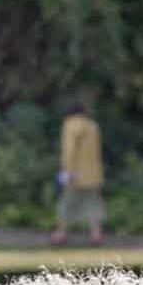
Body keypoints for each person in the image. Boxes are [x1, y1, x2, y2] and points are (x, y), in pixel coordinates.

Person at [55, 98, 105, 246]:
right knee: (94, 204)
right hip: (93, 172)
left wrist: (66, 170)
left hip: (74, 173)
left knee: (67, 203)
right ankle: (96, 234)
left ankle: (61, 234)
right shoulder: (93, 126)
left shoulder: (70, 126)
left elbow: (69, 150)